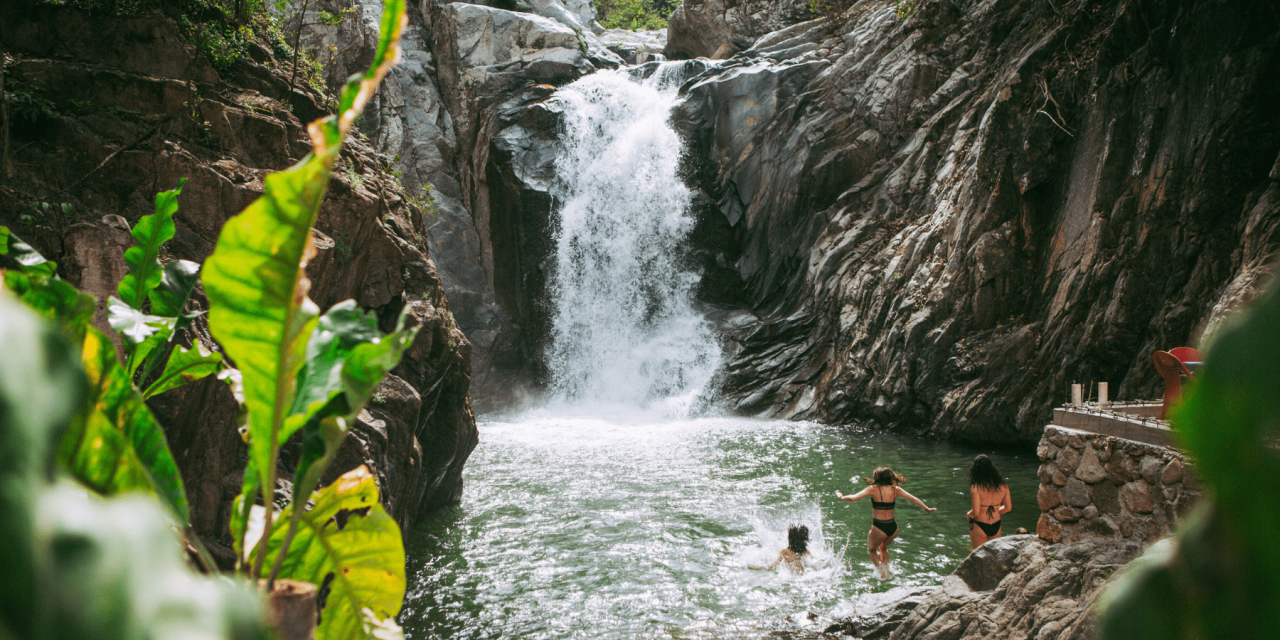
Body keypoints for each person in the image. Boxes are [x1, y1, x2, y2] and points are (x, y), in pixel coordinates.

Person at [836, 467, 936, 579]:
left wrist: (841, 496)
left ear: (877, 478)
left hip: (879, 527)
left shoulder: (873, 489)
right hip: (893, 527)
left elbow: (853, 498)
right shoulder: (895, 489)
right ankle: (886, 568)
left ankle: (884, 574)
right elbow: (913, 499)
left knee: (872, 550)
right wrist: (926, 508)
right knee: (883, 547)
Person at [966, 454, 1011, 549]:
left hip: (979, 525)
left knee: (979, 557)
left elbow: (976, 512)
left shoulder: (975, 487)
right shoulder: (1003, 485)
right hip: (996, 524)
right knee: (994, 556)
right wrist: (996, 510)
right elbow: (1008, 508)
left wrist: (969, 514)